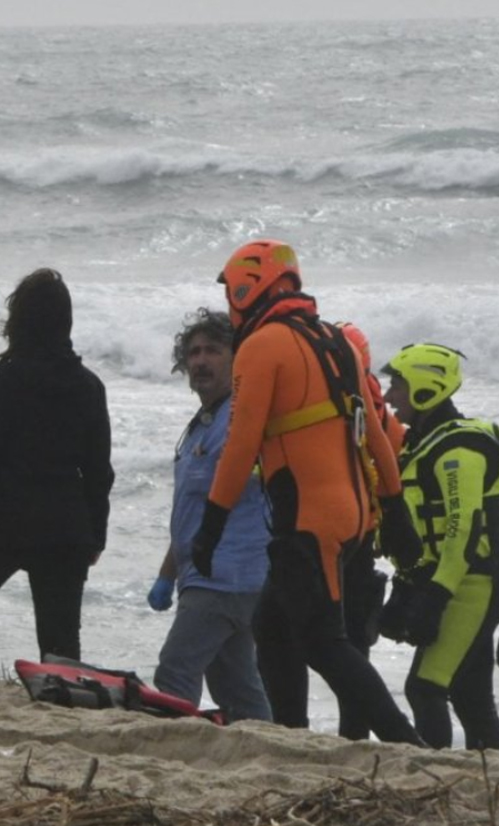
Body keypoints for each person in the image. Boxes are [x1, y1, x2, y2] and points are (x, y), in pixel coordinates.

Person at [191, 239, 423, 745]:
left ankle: (407, 743)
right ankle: (292, 738)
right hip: (354, 515)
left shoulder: (261, 345)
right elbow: (377, 432)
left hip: (309, 520)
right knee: (271, 628)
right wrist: (394, 507)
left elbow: (240, 446)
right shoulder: (334, 339)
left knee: (323, 643)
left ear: (246, 288)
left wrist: (212, 524)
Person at [0, 269, 114, 677]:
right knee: (61, 646)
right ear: (66, 322)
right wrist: (95, 534)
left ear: (19, 322)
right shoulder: (89, 387)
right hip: (64, 528)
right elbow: (99, 471)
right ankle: (60, 713)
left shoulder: (5, 381)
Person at [380, 343, 499, 750]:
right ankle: (488, 779)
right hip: (455, 583)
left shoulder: (461, 449)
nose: (390, 397)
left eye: (398, 386)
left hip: (472, 587)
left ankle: (434, 775)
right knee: (469, 695)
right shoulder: (426, 442)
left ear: (427, 388)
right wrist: (409, 587)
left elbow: (461, 531)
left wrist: (435, 599)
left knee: (424, 688)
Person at [147, 309, 271, 722]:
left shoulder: (241, 416)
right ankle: (267, 752)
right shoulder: (203, 424)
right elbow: (195, 509)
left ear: (237, 358)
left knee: (175, 669)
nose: (200, 361)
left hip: (228, 575)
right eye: (194, 352)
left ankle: (174, 751)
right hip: (203, 574)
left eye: (213, 351)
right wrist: (168, 574)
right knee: (235, 685)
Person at [331, 321, 403, 739]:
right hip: (365, 536)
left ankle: (368, 735)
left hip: (342, 539)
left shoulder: (349, 410)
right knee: (351, 648)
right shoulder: (379, 415)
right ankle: (354, 736)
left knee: (336, 647)